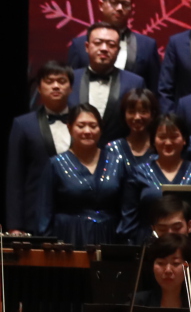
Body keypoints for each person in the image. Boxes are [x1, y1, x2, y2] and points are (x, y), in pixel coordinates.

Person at [36, 104, 127, 243]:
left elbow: (126, 208)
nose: (87, 131)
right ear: (69, 128)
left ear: (101, 129)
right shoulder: (56, 164)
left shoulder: (117, 162)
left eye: (93, 126)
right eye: (81, 126)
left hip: (109, 237)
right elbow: (44, 213)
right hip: (68, 237)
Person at [8, 61, 74, 234]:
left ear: (71, 88)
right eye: (49, 81)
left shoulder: (84, 123)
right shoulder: (23, 124)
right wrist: (15, 225)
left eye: (62, 81)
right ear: (39, 88)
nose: (55, 86)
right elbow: (15, 177)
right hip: (35, 216)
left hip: (75, 217)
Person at [119, 113, 191, 242]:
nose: (168, 142)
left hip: (186, 244)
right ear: (153, 140)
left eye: (174, 137)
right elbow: (129, 218)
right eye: (162, 137)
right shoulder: (138, 172)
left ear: (184, 139)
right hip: (147, 243)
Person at [65, 0, 160, 88]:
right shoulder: (79, 45)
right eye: (114, 3)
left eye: (125, 4)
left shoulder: (147, 46)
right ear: (101, 5)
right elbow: (71, 87)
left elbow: (154, 89)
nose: (119, 8)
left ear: (132, 8)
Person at [69, 24, 145, 142]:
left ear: (118, 50)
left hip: (120, 151)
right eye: (98, 43)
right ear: (87, 47)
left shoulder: (135, 83)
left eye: (111, 44)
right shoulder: (70, 79)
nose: (104, 48)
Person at [130, 233, 191, 308]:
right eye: (161, 263)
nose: (168, 270)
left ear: (189, 267)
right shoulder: (135, 303)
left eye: (175, 263)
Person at [108, 88, 161, 170]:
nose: (137, 117)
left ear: (153, 115)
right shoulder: (113, 149)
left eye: (143, 112)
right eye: (131, 112)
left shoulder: (160, 147)